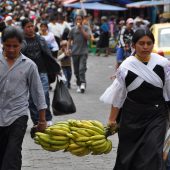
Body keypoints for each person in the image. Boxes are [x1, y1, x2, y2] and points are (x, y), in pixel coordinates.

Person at [100, 29, 170, 170]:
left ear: (153, 45)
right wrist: (112, 120)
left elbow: (168, 91)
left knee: (152, 153)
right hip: (131, 118)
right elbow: (118, 96)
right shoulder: (125, 67)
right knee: (128, 157)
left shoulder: (163, 64)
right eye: (141, 43)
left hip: (157, 116)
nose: (145, 47)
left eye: (149, 43)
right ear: (133, 45)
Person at [0, 26, 47, 170]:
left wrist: (42, 120)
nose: (12, 49)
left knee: (12, 155)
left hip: (18, 116)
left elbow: (38, 93)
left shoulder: (29, 66)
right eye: (8, 45)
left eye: (15, 46)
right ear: (2, 43)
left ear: (21, 44)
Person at [21, 18, 61, 126]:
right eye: (27, 27)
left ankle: (47, 118)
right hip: (27, 75)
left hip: (42, 72)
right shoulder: (21, 42)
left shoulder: (41, 40)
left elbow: (48, 55)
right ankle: (36, 120)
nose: (30, 29)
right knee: (31, 98)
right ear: (23, 28)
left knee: (44, 95)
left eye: (31, 26)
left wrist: (56, 69)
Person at [67, 14, 90, 93]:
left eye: (80, 19)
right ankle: (79, 84)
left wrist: (81, 30)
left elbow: (88, 37)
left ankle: (83, 83)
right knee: (76, 71)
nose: (78, 21)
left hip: (83, 51)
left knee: (81, 69)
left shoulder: (86, 28)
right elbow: (69, 40)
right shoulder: (72, 29)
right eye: (77, 19)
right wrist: (68, 49)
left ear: (82, 20)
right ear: (75, 20)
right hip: (74, 52)